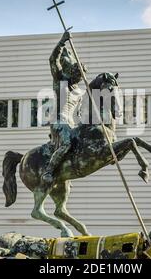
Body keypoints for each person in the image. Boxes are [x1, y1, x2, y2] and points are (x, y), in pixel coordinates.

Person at [41, 31, 88, 185]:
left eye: (80, 76)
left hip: (70, 123)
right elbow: (52, 59)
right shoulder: (60, 81)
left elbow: (80, 113)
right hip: (58, 121)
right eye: (76, 74)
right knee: (67, 143)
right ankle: (48, 170)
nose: (78, 78)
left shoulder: (79, 92)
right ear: (71, 71)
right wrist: (62, 42)